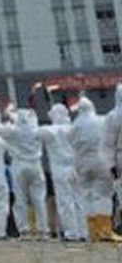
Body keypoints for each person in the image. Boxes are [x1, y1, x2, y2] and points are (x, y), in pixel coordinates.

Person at [71, 94, 122, 243]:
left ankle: (93, 232)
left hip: (81, 164)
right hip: (100, 161)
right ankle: (105, 230)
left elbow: (71, 144)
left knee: (87, 196)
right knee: (103, 195)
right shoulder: (102, 120)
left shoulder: (75, 125)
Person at [0, 106, 50, 239]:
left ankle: (24, 230)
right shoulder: (37, 131)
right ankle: (43, 230)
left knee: (20, 199)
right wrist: (12, 113)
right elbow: (30, 118)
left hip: (19, 165)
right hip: (36, 165)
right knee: (39, 199)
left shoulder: (14, 131)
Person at [38, 103, 86, 241]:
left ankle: (71, 233)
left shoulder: (51, 131)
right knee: (79, 201)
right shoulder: (75, 129)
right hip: (76, 168)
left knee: (65, 202)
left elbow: (35, 133)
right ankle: (83, 232)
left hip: (60, 170)